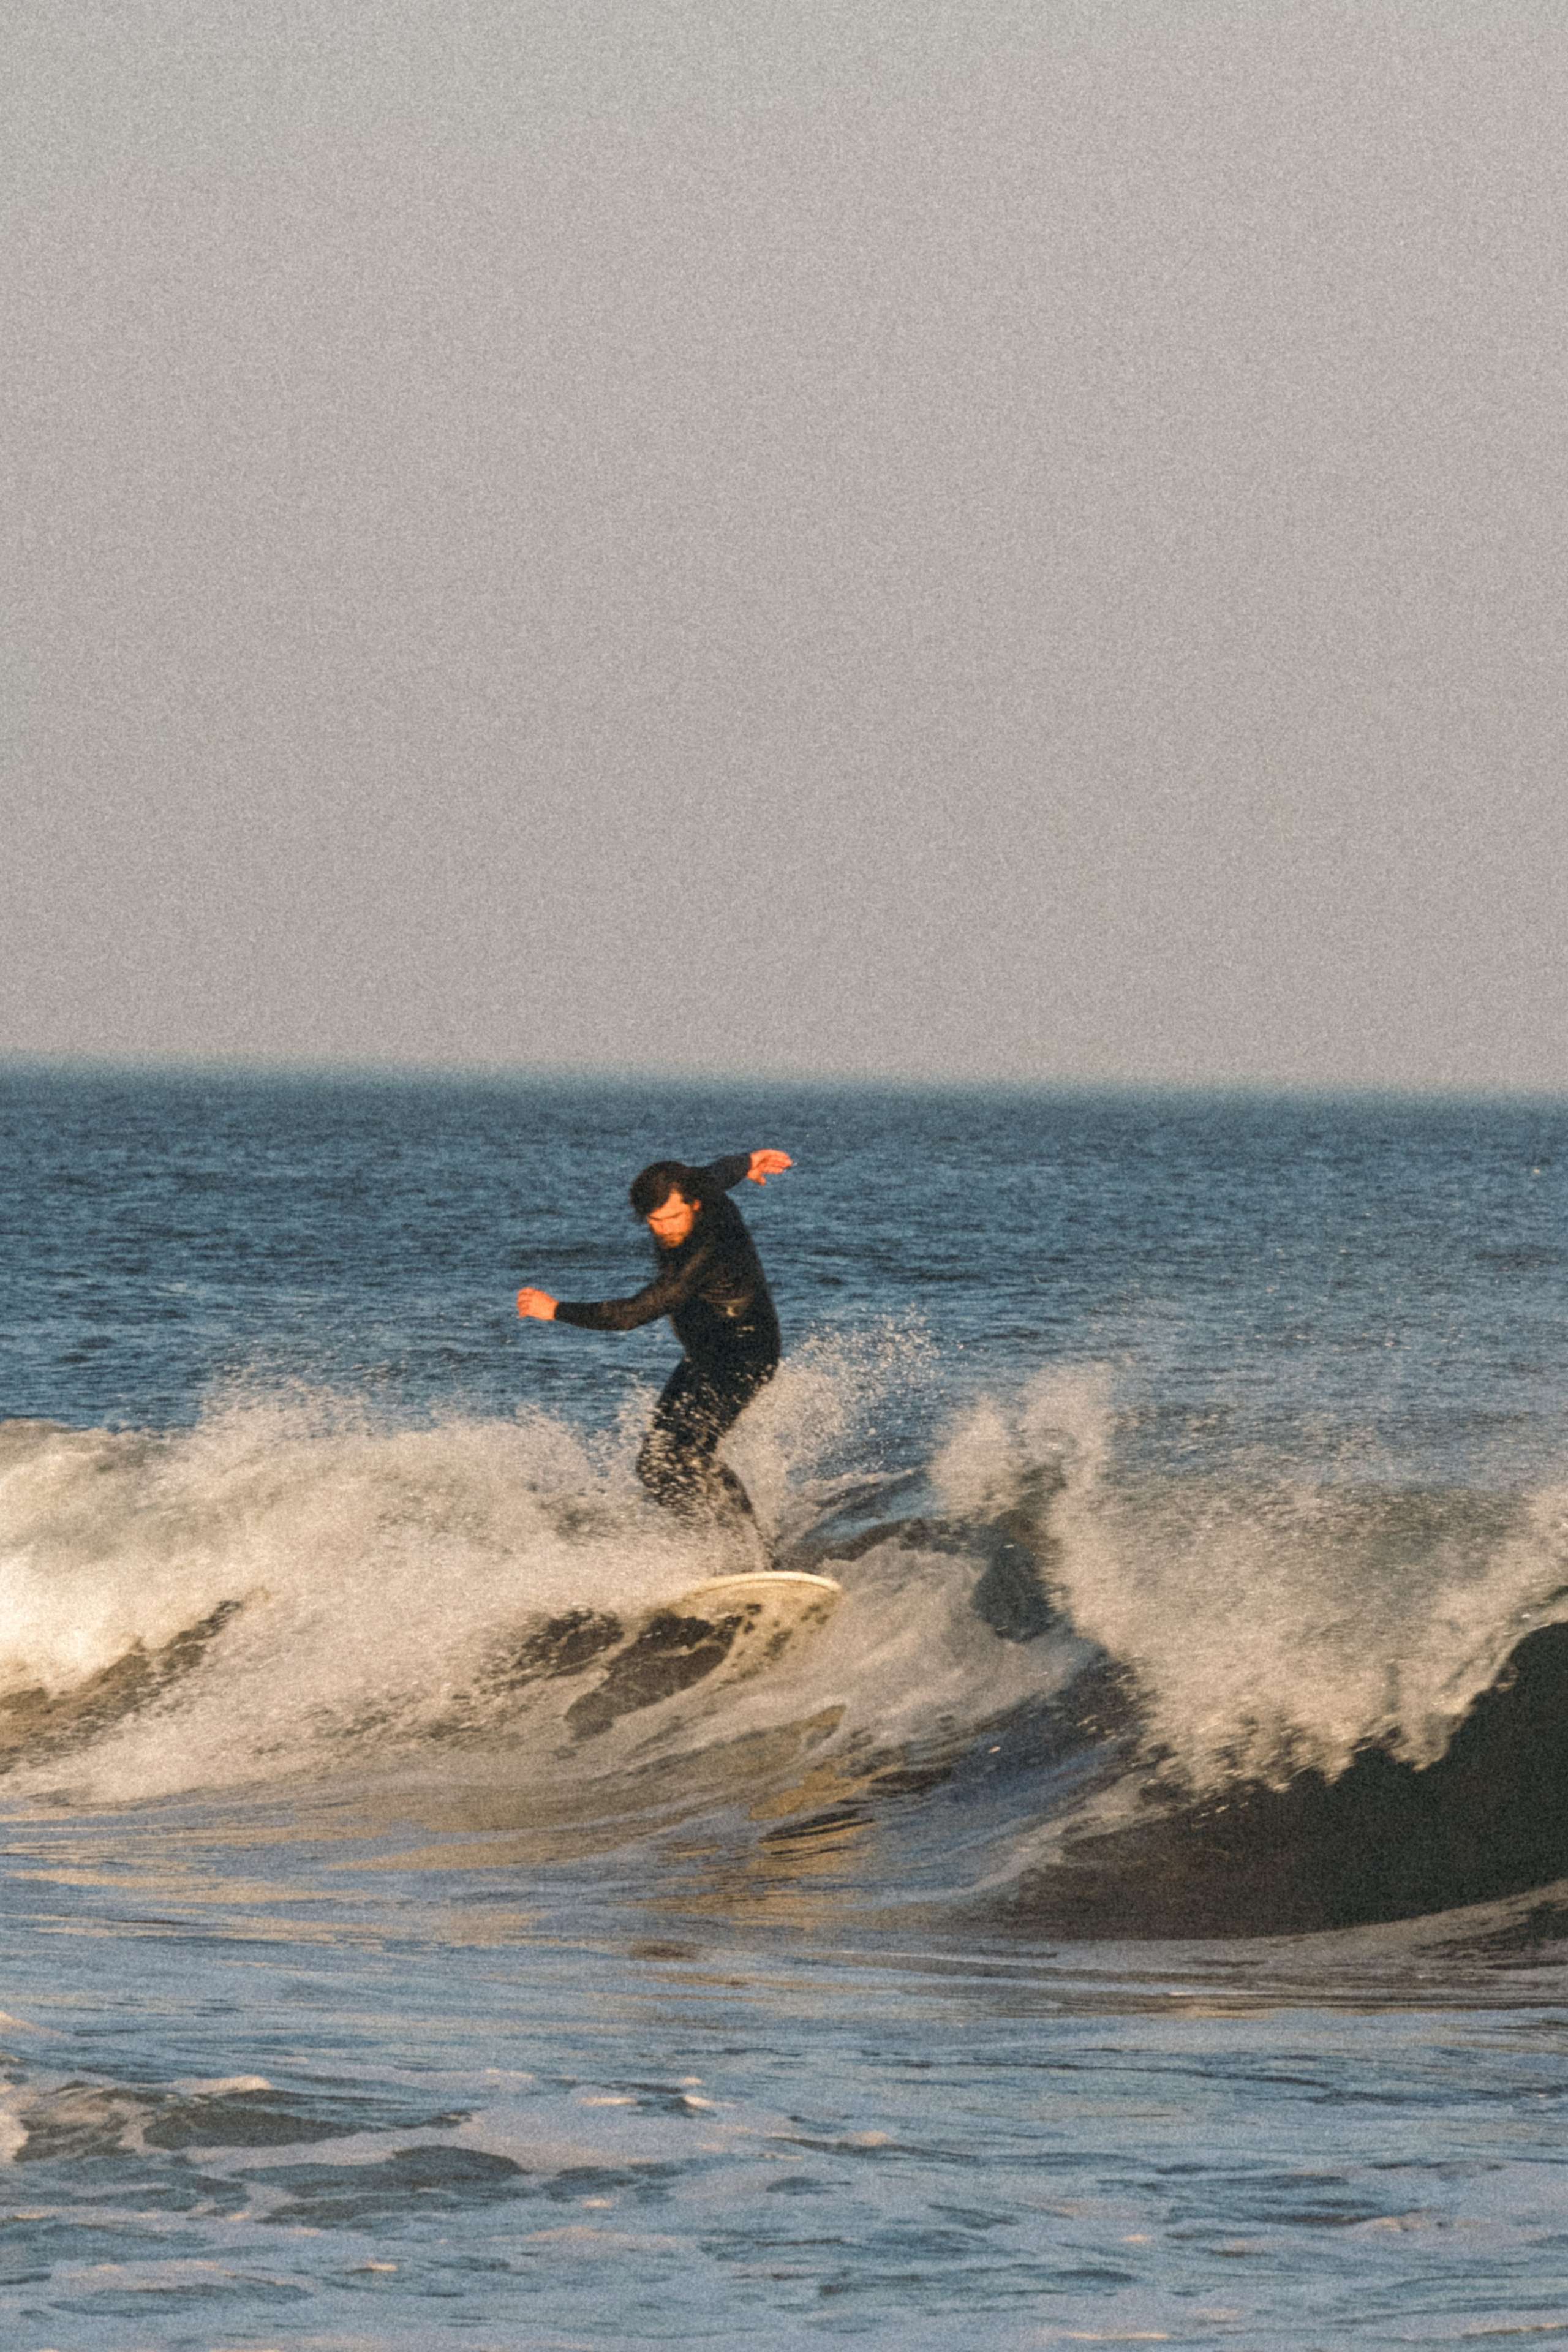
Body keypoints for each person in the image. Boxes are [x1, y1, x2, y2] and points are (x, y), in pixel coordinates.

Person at [516, 1148, 792, 1552]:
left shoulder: (708, 1245)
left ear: (695, 1206)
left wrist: (556, 1310)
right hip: (703, 1355)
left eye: (674, 1218)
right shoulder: (694, 1189)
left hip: (743, 1355)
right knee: (654, 1465)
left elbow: (634, 1312)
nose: (665, 1230)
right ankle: (722, 1542)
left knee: (688, 1457)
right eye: (655, 1221)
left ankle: (752, 1551)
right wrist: (747, 1161)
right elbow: (714, 1172)